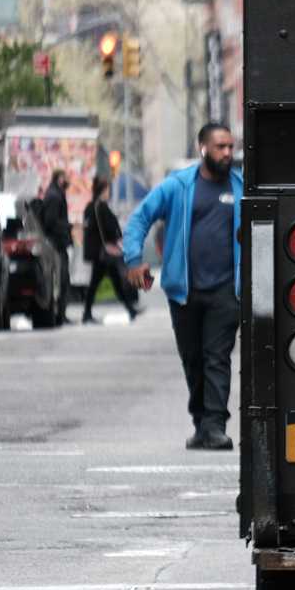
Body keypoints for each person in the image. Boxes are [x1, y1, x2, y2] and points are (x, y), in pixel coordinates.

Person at [123, 122, 242, 451]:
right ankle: (201, 424)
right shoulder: (178, 186)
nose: (227, 153)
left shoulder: (241, 188)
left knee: (217, 357)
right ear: (203, 148)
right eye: (220, 147)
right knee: (193, 359)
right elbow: (139, 218)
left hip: (227, 291)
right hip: (184, 291)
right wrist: (134, 259)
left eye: (230, 147)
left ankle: (215, 426)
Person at [82, 177, 142, 323]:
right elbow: (108, 227)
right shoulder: (100, 206)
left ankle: (130, 309)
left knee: (113, 281)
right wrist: (117, 235)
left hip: (100, 253)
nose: (109, 192)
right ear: (103, 190)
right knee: (98, 283)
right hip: (103, 253)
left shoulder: (91, 206)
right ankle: (87, 313)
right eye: (107, 189)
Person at [40, 169, 74, 323]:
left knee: (63, 279)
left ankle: (61, 313)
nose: (68, 181)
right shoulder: (54, 196)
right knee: (62, 279)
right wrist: (68, 225)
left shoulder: (56, 193)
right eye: (66, 177)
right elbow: (50, 221)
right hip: (56, 244)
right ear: (60, 178)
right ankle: (60, 314)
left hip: (58, 243)